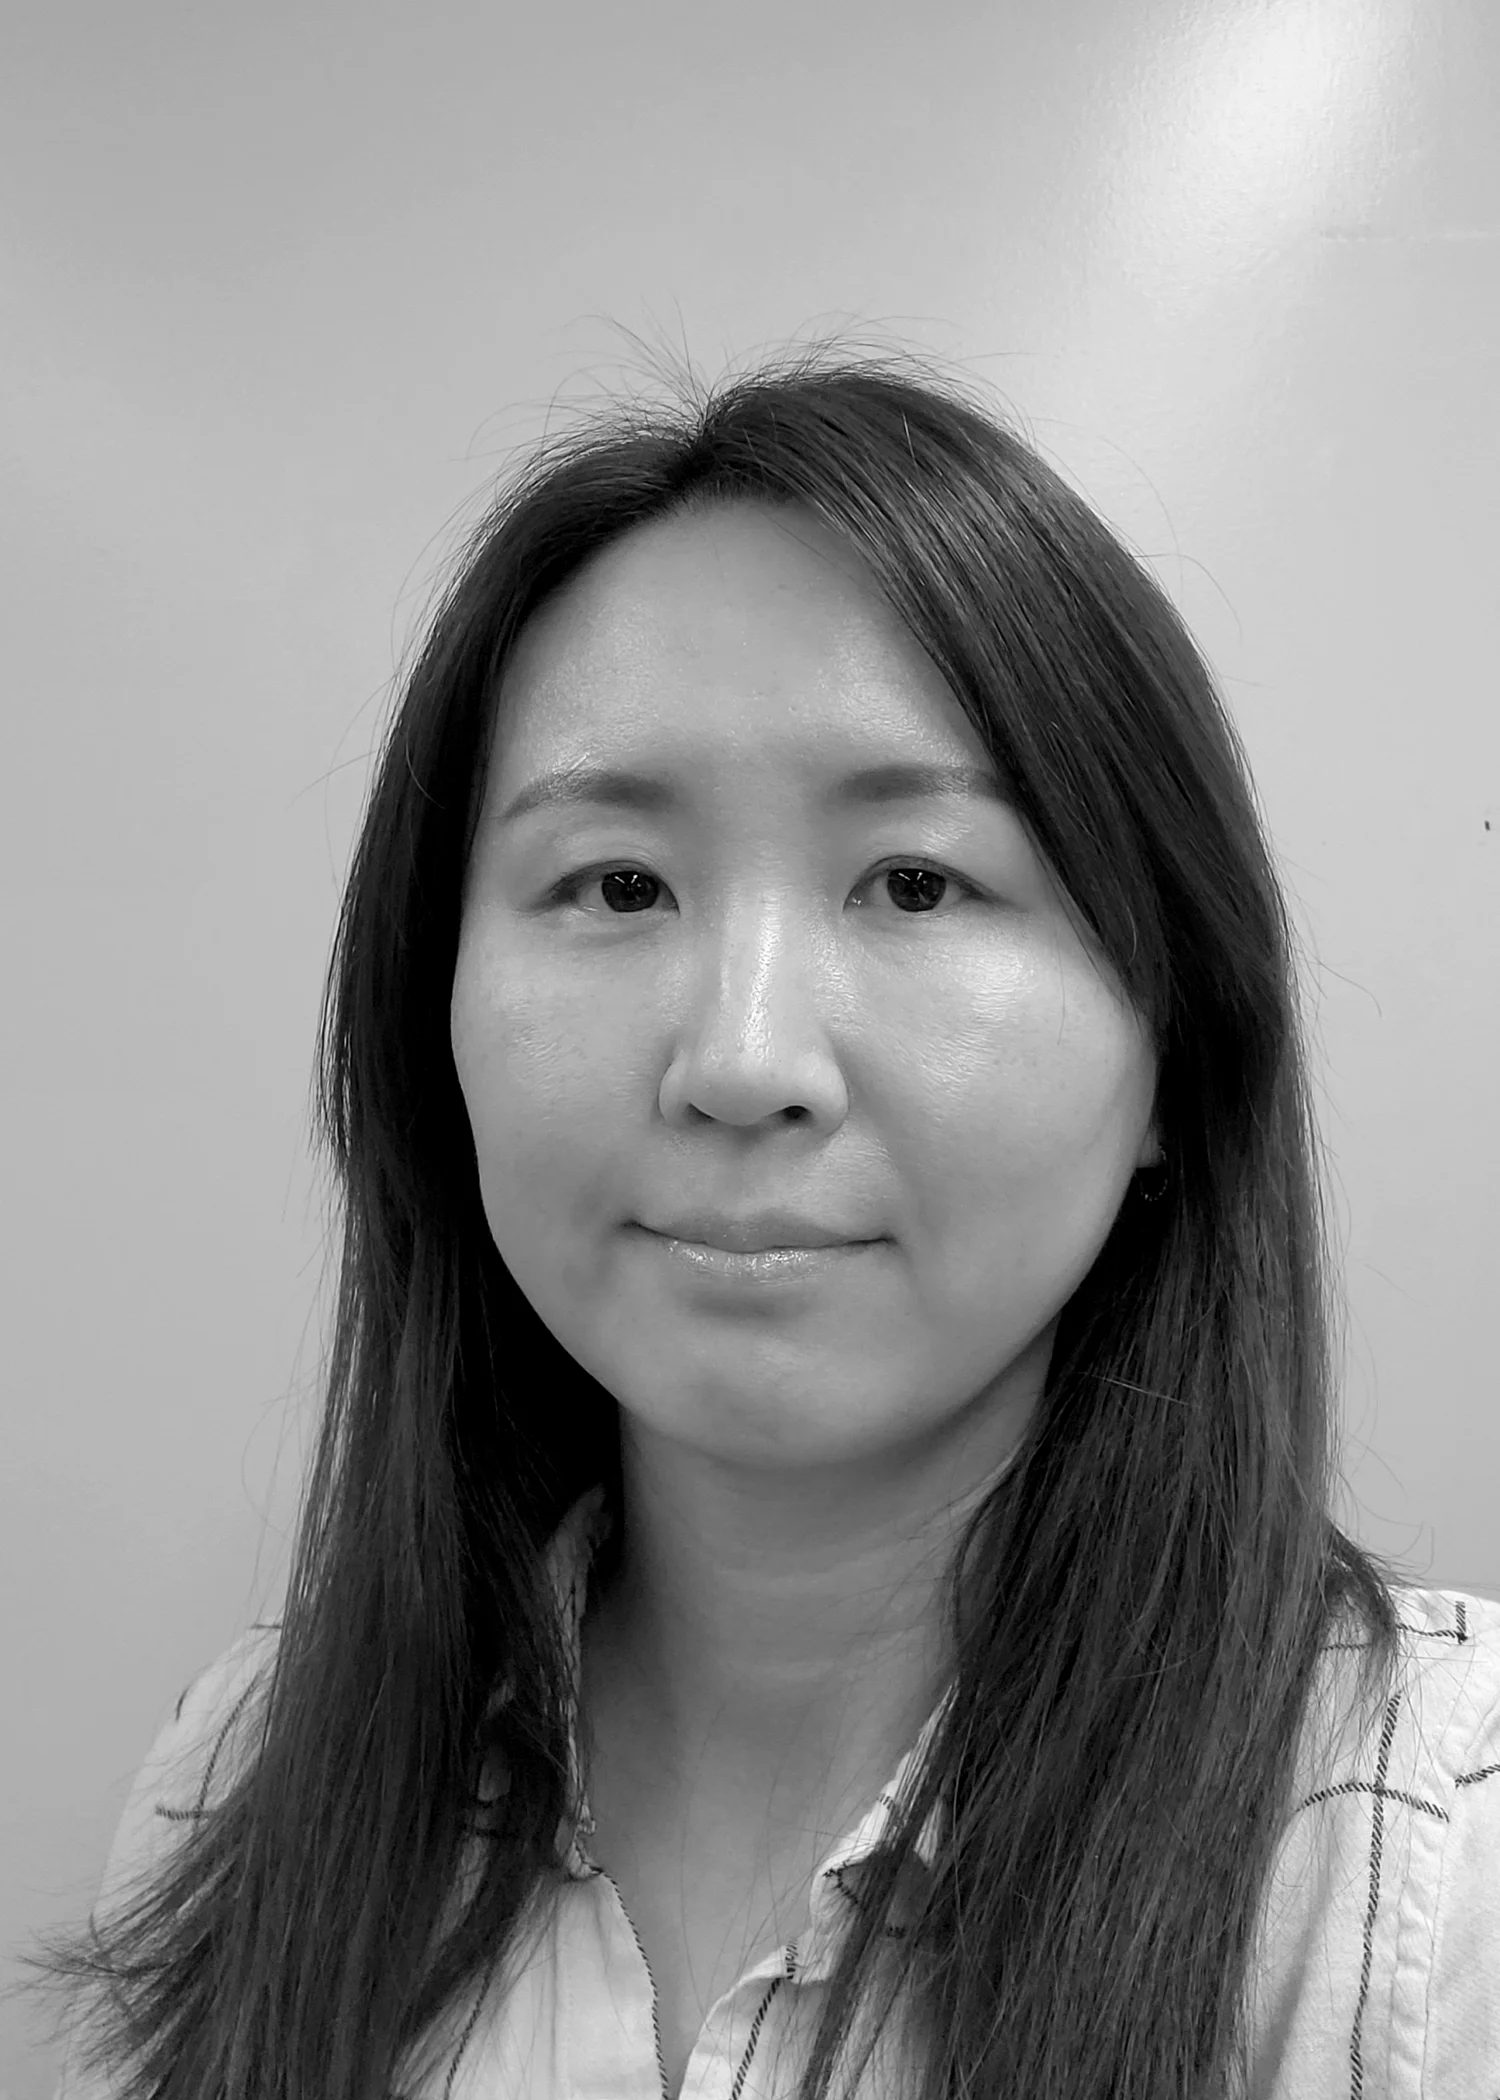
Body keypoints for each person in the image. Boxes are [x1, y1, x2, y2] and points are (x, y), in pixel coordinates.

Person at [15, 339, 1499, 2100]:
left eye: (917, 882)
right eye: (617, 883)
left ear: (1175, 1047)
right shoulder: (244, 1779)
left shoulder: (1437, 1857)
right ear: (434, 1019)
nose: (740, 1060)